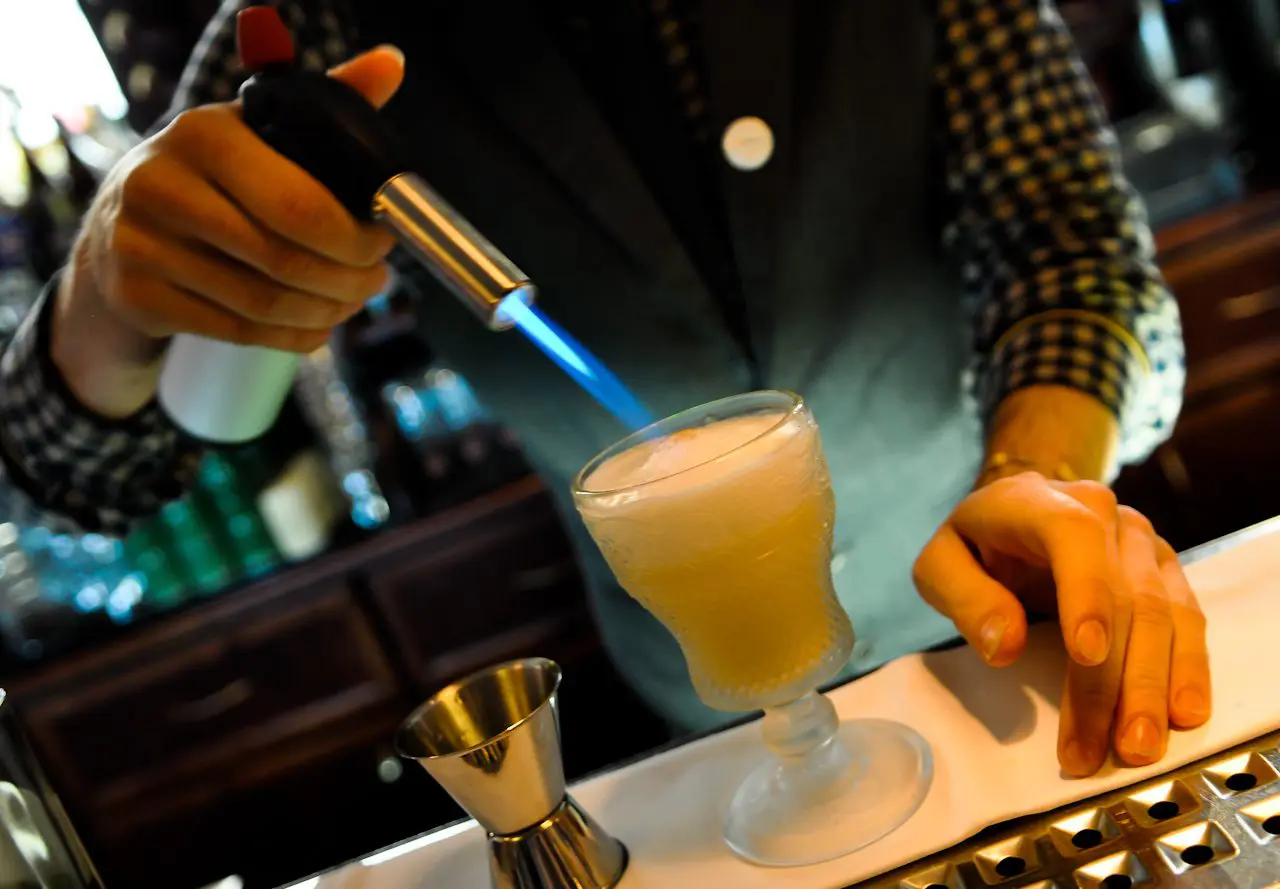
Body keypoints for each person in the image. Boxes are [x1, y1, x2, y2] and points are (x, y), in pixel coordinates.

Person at [35, 0, 1209, 777]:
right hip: (718, 739)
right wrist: (107, 296)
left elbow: (1071, 251)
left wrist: (1034, 472)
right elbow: (84, 473)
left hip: (1008, 644)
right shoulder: (319, 19)